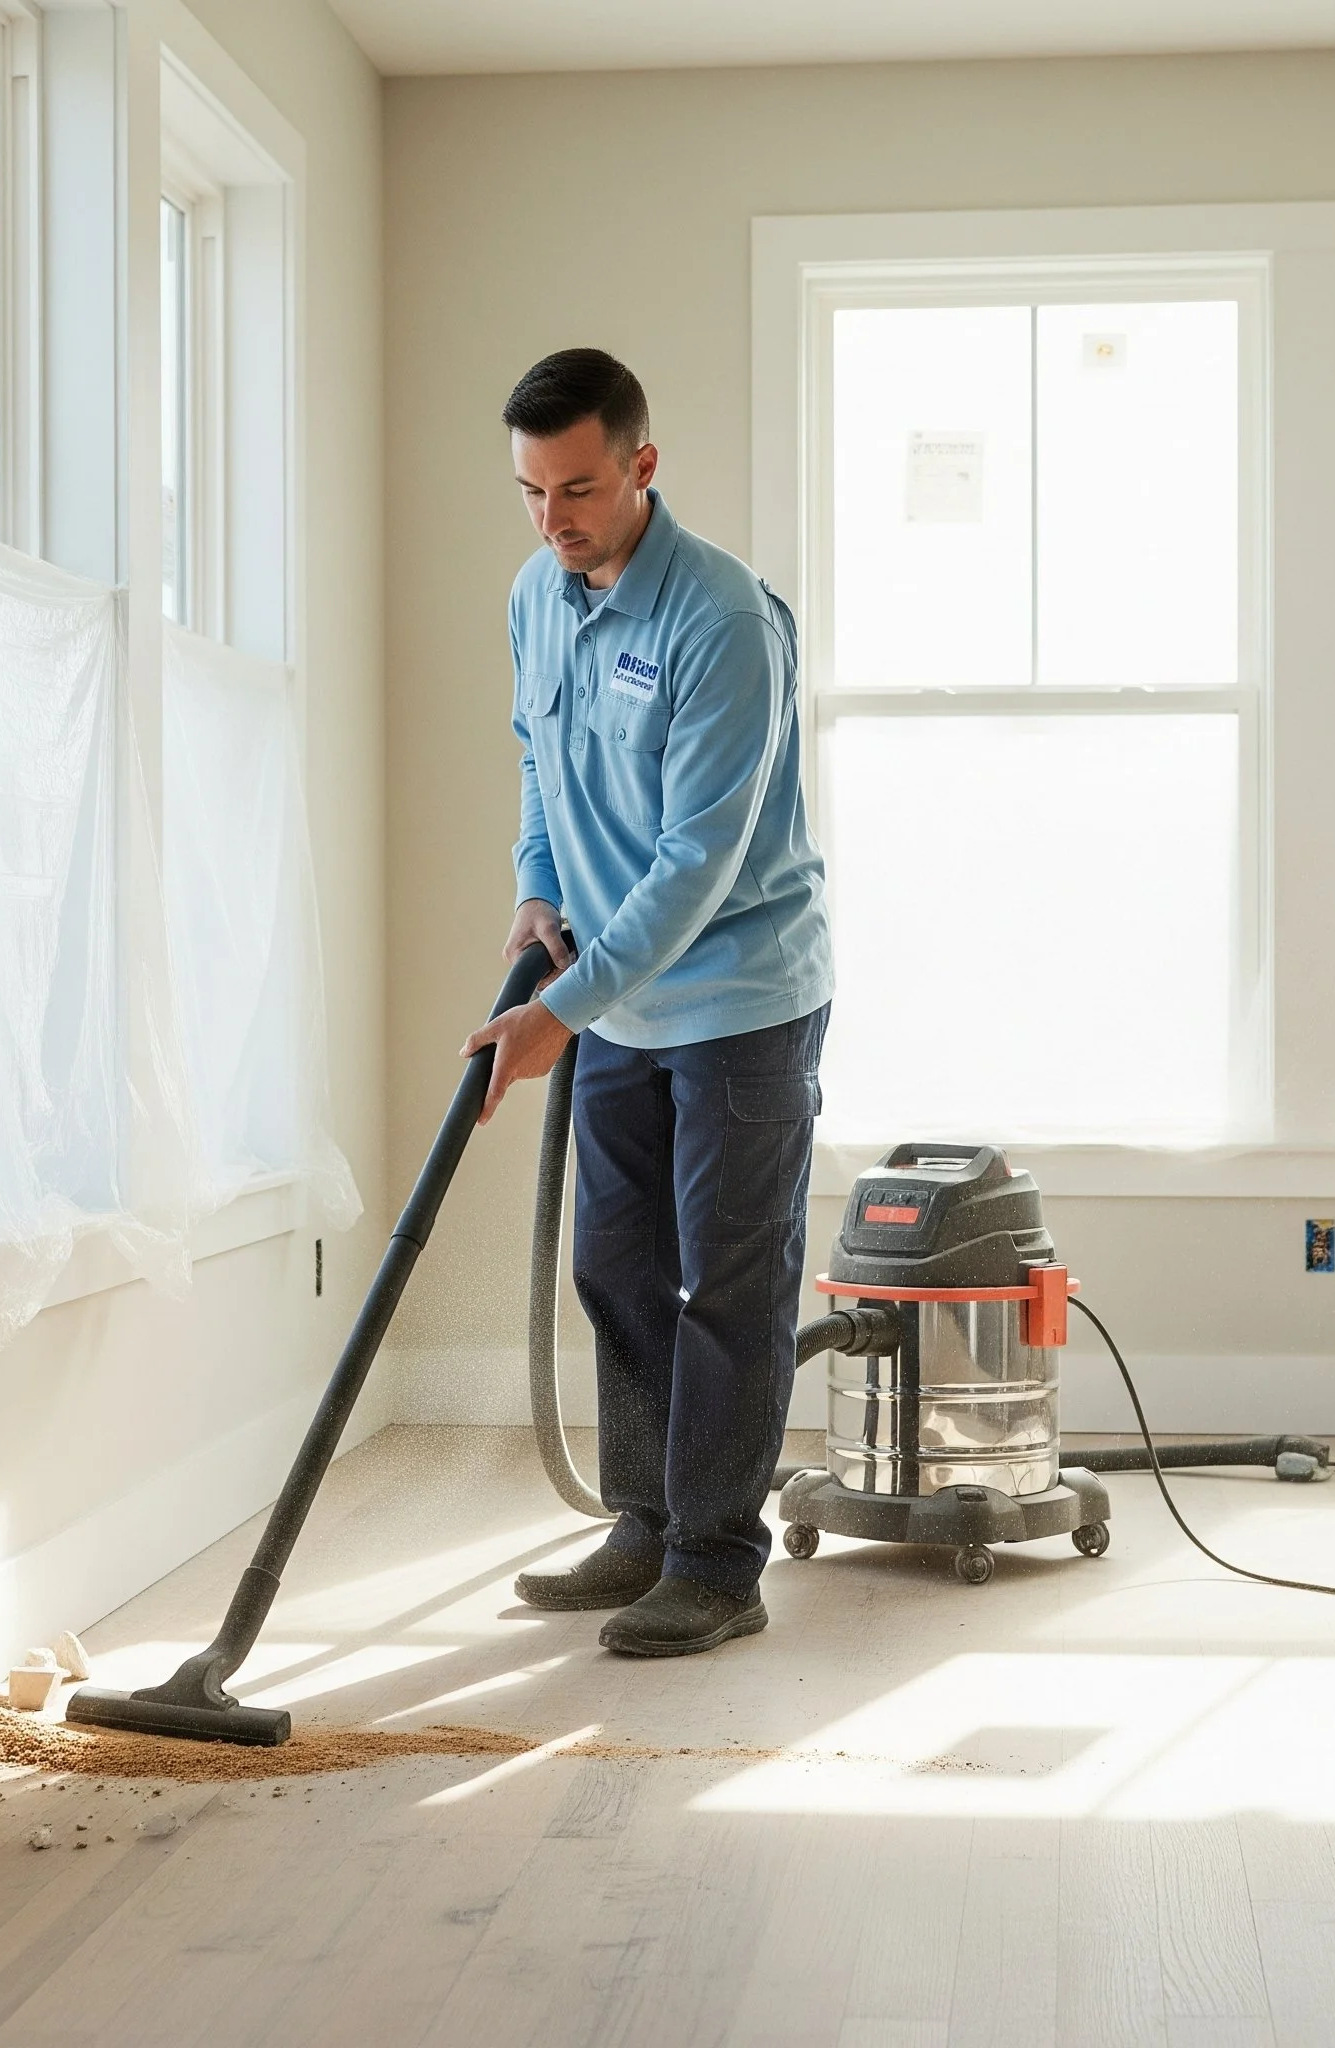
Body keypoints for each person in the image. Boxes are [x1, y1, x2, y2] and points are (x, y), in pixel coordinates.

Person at [460, 348, 832, 1657]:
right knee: (617, 1264)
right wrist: (532, 888)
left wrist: (561, 1008)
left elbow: (700, 858)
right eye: (530, 492)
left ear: (642, 467)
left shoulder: (722, 620)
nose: (553, 519)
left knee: (727, 1286)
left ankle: (719, 1564)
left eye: (577, 488)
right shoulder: (536, 595)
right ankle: (645, 1526)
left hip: (736, 996)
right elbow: (539, 762)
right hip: (609, 992)